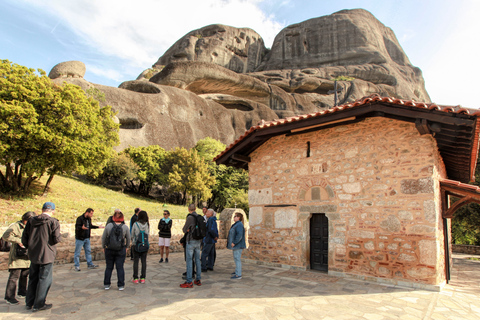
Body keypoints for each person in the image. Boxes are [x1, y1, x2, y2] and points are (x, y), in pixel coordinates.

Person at [22, 202, 61, 312]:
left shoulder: (31, 221)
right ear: (52, 210)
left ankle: (29, 302)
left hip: (34, 254)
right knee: (44, 279)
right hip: (47, 254)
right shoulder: (53, 222)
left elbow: (24, 237)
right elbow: (56, 239)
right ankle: (39, 304)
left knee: (33, 278)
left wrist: (30, 248)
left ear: (42, 209)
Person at [2, 211, 36, 305]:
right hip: (17, 255)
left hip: (26, 255)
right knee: (14, 276)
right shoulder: (16, 226)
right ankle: (9, 297)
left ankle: (22, 292)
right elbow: (5, 236)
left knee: (24, 274)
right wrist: (18, 241)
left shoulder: (30, 227)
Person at [102, 211, 131, 291]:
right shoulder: (125, 227)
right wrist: (126, 247)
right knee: (120, 268)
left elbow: (103, 237)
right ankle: (121, 285)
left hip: (109, 249)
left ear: (113, 218)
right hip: (121, 249)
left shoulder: (109, 226)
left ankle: (107, 284)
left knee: (109, 267)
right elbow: (128, 238)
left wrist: (103, 246)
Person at [180, 204, 202, 288]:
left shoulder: (190, 218)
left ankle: (189, 281)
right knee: (197, 260)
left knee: (189, 260)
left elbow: (184, 229)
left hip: (191, 240)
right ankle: (198, 279)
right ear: (195, 209)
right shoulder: (199, 217)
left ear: (189, 209)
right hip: (198, 241)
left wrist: (188, 229)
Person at [131, 210, 149, 284]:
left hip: (136, 245)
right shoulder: (147, 224)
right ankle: (143, 278)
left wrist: (133, 241)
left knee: (136, 261)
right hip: (144, 244)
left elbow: (132, 234)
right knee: (143, 261)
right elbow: (147, 234)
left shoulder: (135, 224)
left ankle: (135, 278)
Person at [227, 212, 246, 280]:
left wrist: (234, 242)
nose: (234, 217)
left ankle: (238, 274)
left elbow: (239, 235)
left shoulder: (239, 225)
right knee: (236, 258)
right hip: (236, 246)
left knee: (237, 259)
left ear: (239, 217)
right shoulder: (237, 224)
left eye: (235, 216)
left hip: (238, 245)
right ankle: (237, 271)